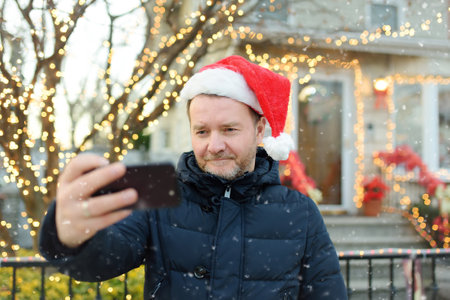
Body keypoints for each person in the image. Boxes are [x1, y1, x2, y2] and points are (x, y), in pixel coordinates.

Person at [39, 55, 347, 299]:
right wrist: (72, 237)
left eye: (229, 129)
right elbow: (101, 261)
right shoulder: (161, 197)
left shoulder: (300, 213)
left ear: (259, 130)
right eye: (202, 131)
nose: (214, 146)